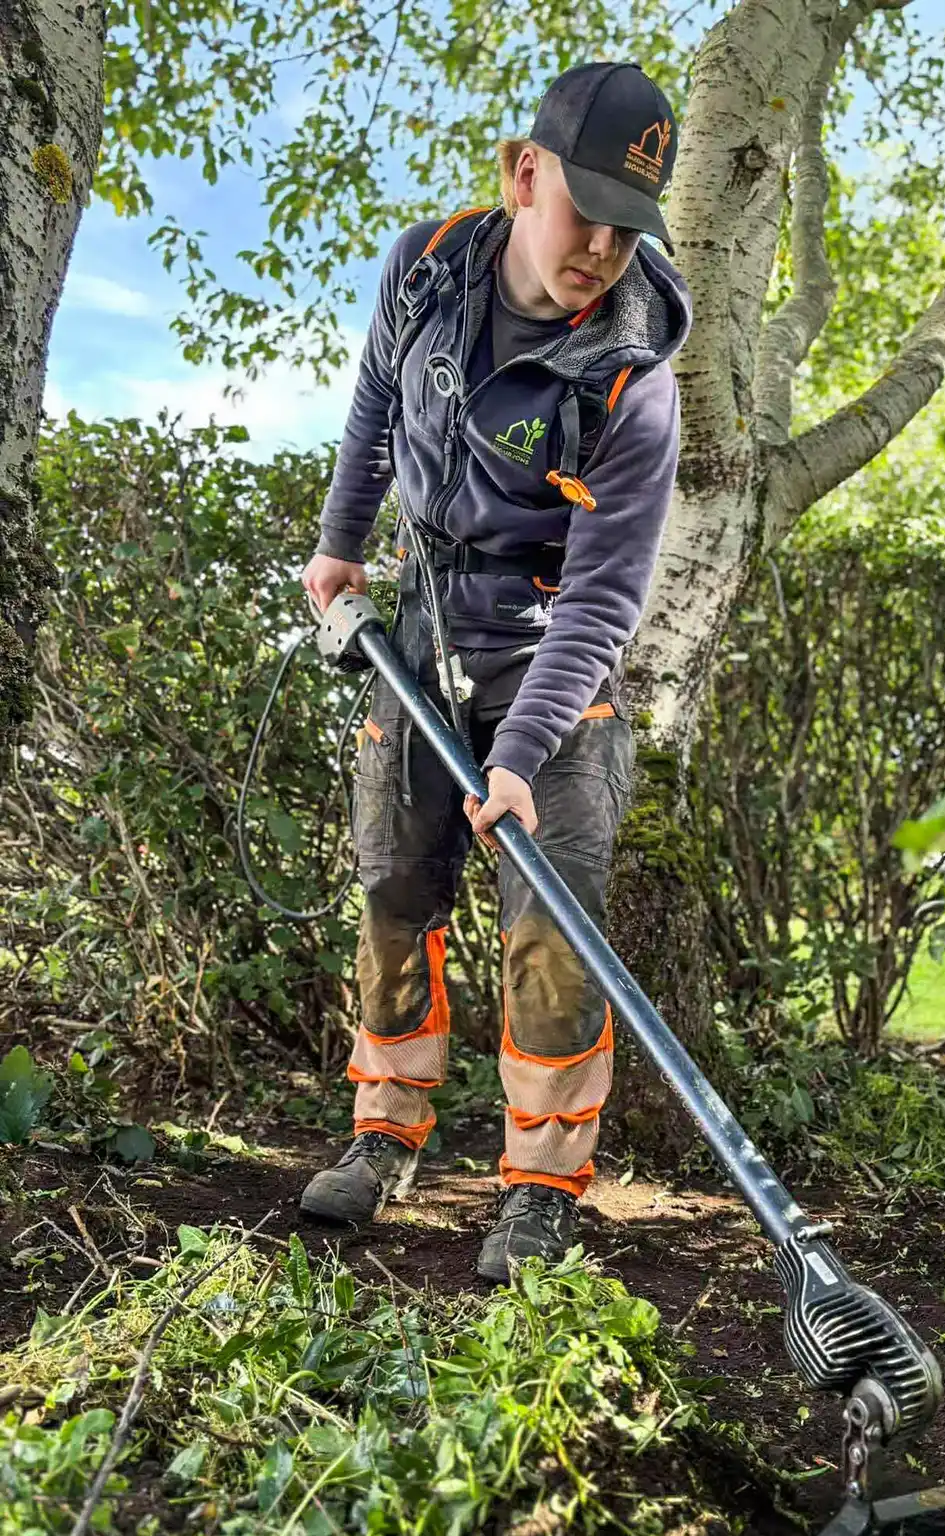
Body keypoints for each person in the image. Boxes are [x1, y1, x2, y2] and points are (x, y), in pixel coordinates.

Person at [298, 60, 691, 1283]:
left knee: (551, 938)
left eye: (632, 231)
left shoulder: (636, 381)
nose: (603, 252)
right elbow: (374, 405)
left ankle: (538, 1189)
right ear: (526, 175)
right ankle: (384, 1134)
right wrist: (339, 542)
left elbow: (608, 595)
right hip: (427, 626)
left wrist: (518, 756)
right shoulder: (426, 267)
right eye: (587, 215)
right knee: (390, 893)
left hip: (556, 664)